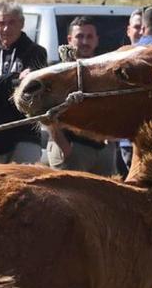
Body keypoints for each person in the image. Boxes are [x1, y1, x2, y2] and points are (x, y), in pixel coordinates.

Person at [0, 1, 47, 171]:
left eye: (11, 22)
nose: (6, 28)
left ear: (22, 23)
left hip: (25, 132)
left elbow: (31, 92)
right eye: (1, 23)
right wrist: (16, 80)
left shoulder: (35, 52)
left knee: (27, 184)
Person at [47, 16, 118, 175]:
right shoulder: (57, 72)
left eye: (89, 36)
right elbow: (46, 113)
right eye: (80, 36)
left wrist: (110, 144)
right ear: (69, 39)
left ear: (97, 40)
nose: (85, 41)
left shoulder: (104, 72)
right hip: (71, 148)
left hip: (102, 151)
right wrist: (65, 147)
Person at [116, 9, 145, 177]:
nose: (140, 31)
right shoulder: (118, 60)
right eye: (136, 27)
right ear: (128, 31)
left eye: (144, 27)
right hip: (125, 142)